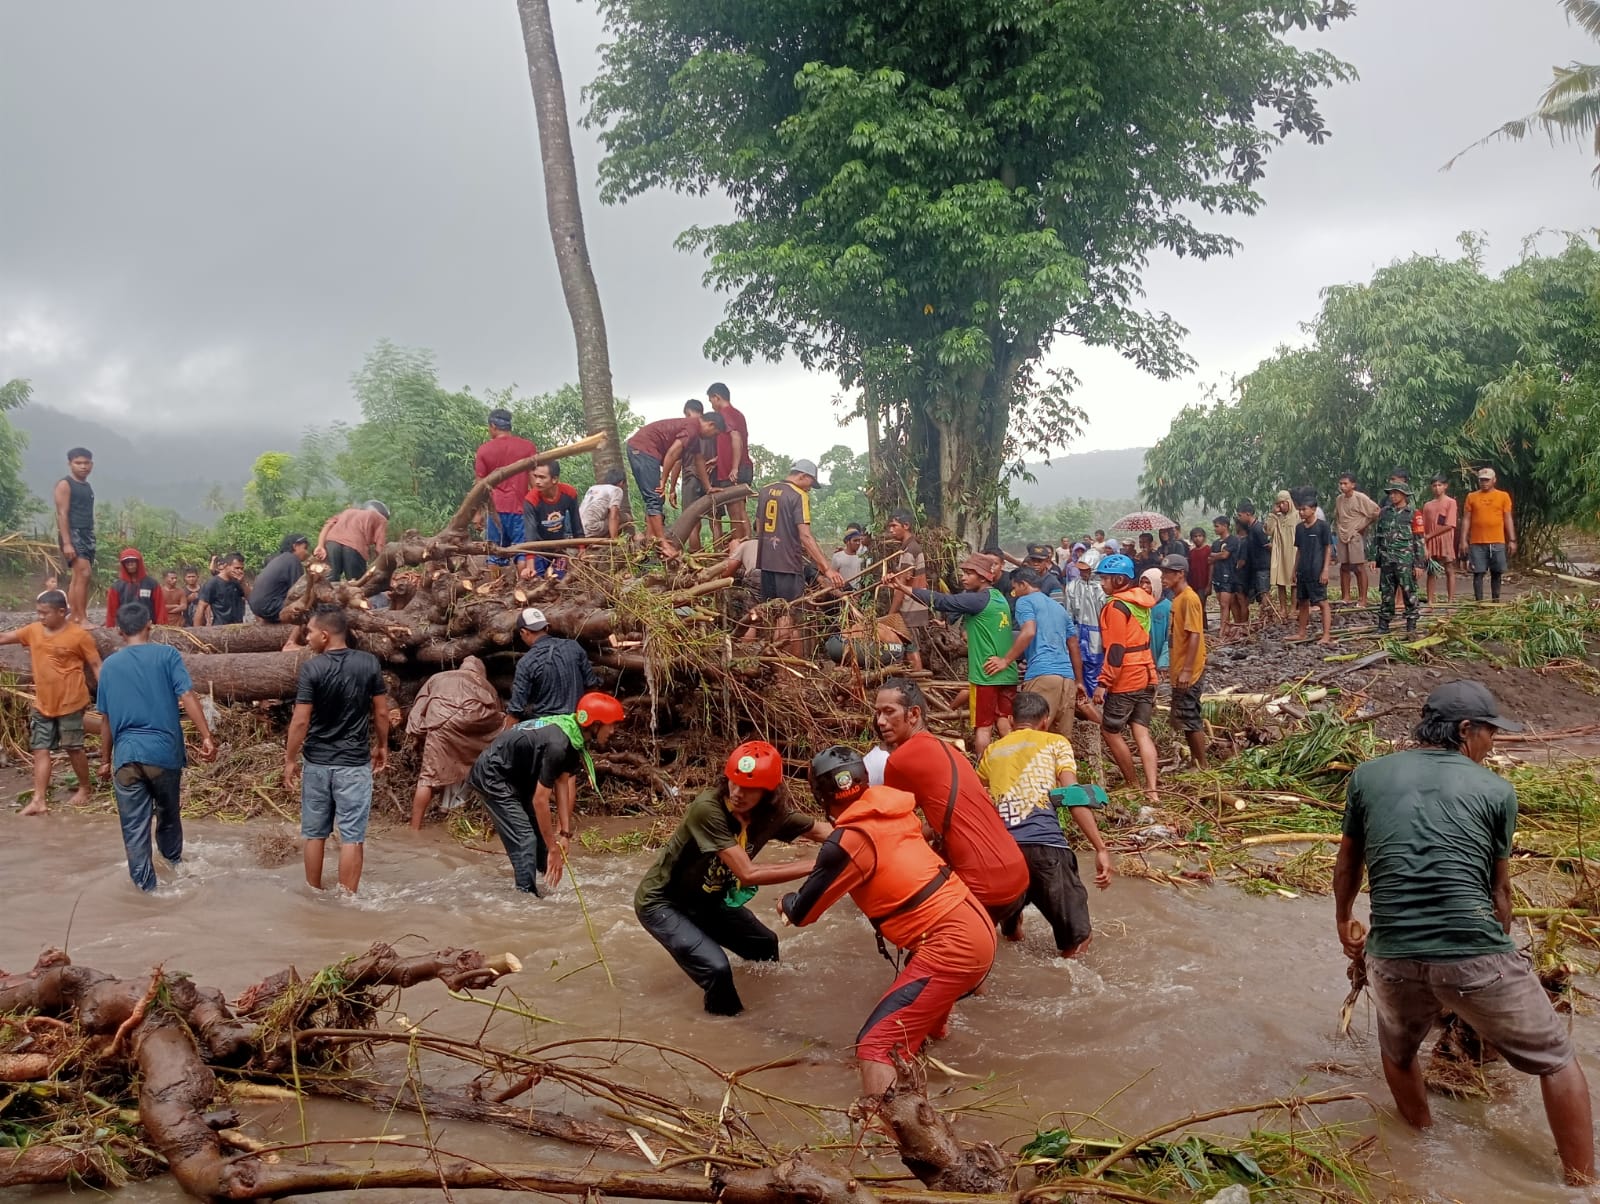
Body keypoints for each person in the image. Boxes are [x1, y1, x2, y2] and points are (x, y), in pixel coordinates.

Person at [1335, 681, 1594, 1187]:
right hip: (1473, 951)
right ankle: (1583, 1187)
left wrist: (1344, 921)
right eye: (1490, 733)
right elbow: (1500, 893)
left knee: (1397, 1054)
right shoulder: (1496, 790)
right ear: (1464, 731)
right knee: (1559, 1060)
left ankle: (1424, 1150)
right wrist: (1500, 955)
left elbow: (1348, 861)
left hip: (1390, 955)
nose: (1492, 744)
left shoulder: (1367, 777)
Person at [778, 746, 997, 1097]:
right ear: (865, 781)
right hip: (975, 924)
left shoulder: (847, 842)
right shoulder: (896, 812)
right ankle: (940, 1091)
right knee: (925, 1032)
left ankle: (888, 1133)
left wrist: (786, 904)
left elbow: (804, 913)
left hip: (949, 944)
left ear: (820, 796)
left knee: (874, 1045)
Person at [636, 741, 830, 1015]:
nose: (738, 793)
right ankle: (731, 1026)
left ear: (768, 792)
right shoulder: (708, 809)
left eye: (749, 788)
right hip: (663, 903)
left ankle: (769, 1004)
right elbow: (747, 874)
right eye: (733, 783)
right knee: (716, 969)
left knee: (764, 944)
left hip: (707, 901)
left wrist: (868, 837)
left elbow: (825, 832)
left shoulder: (772, 817)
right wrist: (820, 864)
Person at [874, 678, 1029, 921]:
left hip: (984, 887)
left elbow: (894, 834)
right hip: (1018, 875)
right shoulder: (949, 749)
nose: (880, 721)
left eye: (888, 712)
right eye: (878, 713)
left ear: (913, 714)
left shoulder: (900, 760)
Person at [976, 692, 1112, 957]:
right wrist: (1101, 848)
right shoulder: (1055, 742)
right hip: (1046, 848)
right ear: (1045, 721)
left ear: (1012, 720)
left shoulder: (993, 750)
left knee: (1010, 934)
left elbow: (977, 798)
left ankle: (1012, 933)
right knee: (1078, 941)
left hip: (1003, 854)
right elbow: (1073, 795)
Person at [95, 602, 218, 891]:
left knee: (134, 828)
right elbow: (186, 695)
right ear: (150, 625)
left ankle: (146, 889)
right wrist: (207, 737)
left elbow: (106, 719)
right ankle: (174, 865)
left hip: (125, 759)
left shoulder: (110, 665)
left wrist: (103, 759)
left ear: (119, 631)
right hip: (163, 754)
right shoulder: (167, 655)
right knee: (168, 814)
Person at [468, 692, 625, 895]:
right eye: (611, 724)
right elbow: (540, 800)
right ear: (594, 724)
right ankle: (526, 899)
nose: (613, 731)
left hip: (517, 777)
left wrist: (564, 835)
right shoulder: (558, 745)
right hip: (493, 777)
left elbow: (561, 783)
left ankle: (547, 880)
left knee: (541, 836)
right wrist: (553, 848)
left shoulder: (573, 739)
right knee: (526, 839)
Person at [283, 605, 389, 894]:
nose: (307, 638)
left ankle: (313, 894)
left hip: (317, 763)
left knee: (314, 834)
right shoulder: (369, 664)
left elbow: (300, 720)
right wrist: (382, 746)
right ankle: (347, 902)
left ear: (326, 635)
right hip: (354, 764)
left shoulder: (312, 668)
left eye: (310, 632)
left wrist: (290, 759)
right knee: (352, 837)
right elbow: (381, 713)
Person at [891, 552, 1016, 755]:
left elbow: (941, 601)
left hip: (986, 674)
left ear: (983, 577)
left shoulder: (977, 600)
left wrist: (902, 587)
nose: (963, 578)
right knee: (1004, 721)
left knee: (983, 727)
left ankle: (982, 775)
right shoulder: (998, 597)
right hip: (1007, 672)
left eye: (969, 574)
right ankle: (1011, 765)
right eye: (963, 573)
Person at [0, 590, 101, 815]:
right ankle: (38, 799)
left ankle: (85, 788)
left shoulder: (79, 635)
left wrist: (107, 694)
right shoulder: (33, 630)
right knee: (40, 749)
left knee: (73, 747)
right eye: (38, 612)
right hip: (43, 703)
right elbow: (5, 638)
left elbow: (96, 664)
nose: (40, 617)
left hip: (71, 701)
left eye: (44, 613)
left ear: (62, 612)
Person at [406, 656, 509, 830]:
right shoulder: (486, 685)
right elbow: (494, 713)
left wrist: (421, 732)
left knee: (427, 779)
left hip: (439, 723)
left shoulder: (438, 677)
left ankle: (414, 829)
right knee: (503, 723)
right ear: (480, 672)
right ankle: (458, 807)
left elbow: (418, 708)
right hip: (472, 725)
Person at [989, 566, 1089, 743]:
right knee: (1061, 743)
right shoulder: (1058, 608)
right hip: (1067, 679)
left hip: (1042, 674)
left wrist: (1005, 660)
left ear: (1024, 585)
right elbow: (1074, 645)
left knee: (1030, 738)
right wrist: (1079, 681)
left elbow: (1028, 632)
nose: (1014, 592)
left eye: (1015, 588)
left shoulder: (1025, 602)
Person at [1091, 554, 1159, 803]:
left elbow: (1116, 650)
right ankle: (1152, 790)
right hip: (1147, 673)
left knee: (1110, 731)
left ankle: (1133, 784)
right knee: (1141, 732)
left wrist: (1102, 683)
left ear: (1120, 579)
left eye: (1106, 578)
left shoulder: (1116, 606)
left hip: (1126, 677)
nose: (1102, 583)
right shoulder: (1142, 602)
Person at [755, 460, 844, 650]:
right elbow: (805, 535)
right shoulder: (798, 495)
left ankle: (770, 661)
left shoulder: (765, 490)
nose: (810, 489)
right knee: (789, 616)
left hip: (766, 563)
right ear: (803, 476)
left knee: (771, 614)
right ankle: (788, 669)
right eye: (811, 483)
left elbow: (758, 526)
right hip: (788, 565)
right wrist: (827, 569)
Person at [626, 410, 719, 547]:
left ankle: (651, 540)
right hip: (644, 448)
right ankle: (662, 543)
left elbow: (699, 461)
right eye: (715, 433)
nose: (712, 437)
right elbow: (672, 453)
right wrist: (663, 481)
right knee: (655, 496)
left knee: (657, 498)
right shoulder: (692, 428)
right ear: (711, 424)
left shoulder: (694, 435)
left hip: (645, 450)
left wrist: (708, 488)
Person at [474, 408, 539, 572]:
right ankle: (523, 588)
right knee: (522, 551)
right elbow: (534, 480)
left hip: (495, 510)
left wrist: (477, 513)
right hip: (520, 508)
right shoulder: (527, 447)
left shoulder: (484, 450)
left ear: (493, 426)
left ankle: (494, 590)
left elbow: (480, 486)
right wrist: (538, 506)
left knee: (493, 553)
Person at [507, 607, 599, 721]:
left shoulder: (526, 662)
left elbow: (516, 709)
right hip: (577, 723)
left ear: (524, 632)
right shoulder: (573, 646)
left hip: (546, 730)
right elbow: (592, 686)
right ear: (546, 627)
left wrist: (504, 736)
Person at [1159, 554, 1208, 768]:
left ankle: (1203, 764)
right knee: (1184, 717)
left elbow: (1195, 634)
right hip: (1179, 667)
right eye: (1163, 573)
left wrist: (1187, 669)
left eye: (1168, 574)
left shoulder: (1189, 598)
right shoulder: (1177, 599)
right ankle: (1195, 762)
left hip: (1190, 669)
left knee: (1190, 715)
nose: (1164, 577)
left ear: (1180, 574)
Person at [1373, 479, 1424, 634]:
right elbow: (1377, 536)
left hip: (1405, 561)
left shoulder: (1414, 514)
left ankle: (1411, 624)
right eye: (1390, 493)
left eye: (1395, 493)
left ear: (1404, 495)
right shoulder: (1384, 513)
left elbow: (1419, 540)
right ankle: (1383, 625)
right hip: (1387, 559)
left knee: (1409, 592)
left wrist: (1419, 564)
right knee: (1386, 593)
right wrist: (1373, 558)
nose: (1392, 496)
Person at [881, 512, 929, 673]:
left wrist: (891, 616)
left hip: (911, 609)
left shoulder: (909, 551)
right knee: (909, 647)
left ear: (906, 526)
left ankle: (920, 683)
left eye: (894, 525)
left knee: (911, 648)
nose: (891, 530)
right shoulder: (910, 548)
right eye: (890, 527)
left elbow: (902, 587)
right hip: (915, 607)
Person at [52, 447, 96, 625]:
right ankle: (81, 616)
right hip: (73, 533)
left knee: (78, 576)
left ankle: (74, 615)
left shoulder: (86, 486)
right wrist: (67, 543)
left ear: (91, 465)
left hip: (87, 533)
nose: (83, 466)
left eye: (86, 463)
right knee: (84, 573)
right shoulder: (65, 484)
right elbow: (62, 514)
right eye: (78, 463)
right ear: (70, 464)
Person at [1460, 467, 1516, 603]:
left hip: (1497, 541)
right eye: (1482, 480)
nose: (1484, 483)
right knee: (1478, 573)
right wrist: (1463, 540)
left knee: (1496, 573)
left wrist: (1512, 540)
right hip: (1477, 542)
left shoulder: (1503, 496)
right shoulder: (1472, 497)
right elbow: (1466, 519)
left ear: (1494, 480)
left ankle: (1495, 601)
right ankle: (1479, 602)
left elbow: (1507, 518)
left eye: (1487, 480)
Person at [522, 462, 585, 578]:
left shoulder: (569, 493)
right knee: (536, 580)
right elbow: (530, 533)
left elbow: (576, 523)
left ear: (554, 479)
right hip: (538, 550)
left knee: (558, 580)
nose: (537, 481)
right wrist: (530, 564)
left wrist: (582, 549)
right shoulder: (531, 500)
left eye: (542, 477)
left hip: (559, 549)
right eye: (535, 476)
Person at [708, 383, 753, 540]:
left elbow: (736, 438)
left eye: (711, 400)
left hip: (732, 471)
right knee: (740, 510)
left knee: (735, 513)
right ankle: (746, 544)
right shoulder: (738, 414)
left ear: (716, 397)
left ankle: (738, 550)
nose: (711, 405)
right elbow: (732, 442)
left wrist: (734, 468)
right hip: (743, 466)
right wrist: (718, 459)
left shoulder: (725, 415)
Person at [1062, 548, 1106, 700]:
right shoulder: (1073, 586)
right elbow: (1068, 614)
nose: (1083, 573)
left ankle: (1098, 704)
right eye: (1081, 570)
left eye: (1086, 570)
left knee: (1097, 669)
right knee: (1079, 666)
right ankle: (1084, 702)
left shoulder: (1103, 588)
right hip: (1079, 633)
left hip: (1099, 635)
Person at [1291, 492, 1335, 645]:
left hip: (1317, 569)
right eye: (1300, 510)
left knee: (1322, 602)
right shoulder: (1299, 528)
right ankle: (1301, 632)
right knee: (1302, 601)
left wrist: (1325, 570)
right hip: (1303, 569)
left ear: (1314, 509)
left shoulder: (1322, 527)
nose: (1301, 512)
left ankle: (1326, 634)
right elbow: (1299, 550)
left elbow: (1328, 548)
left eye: (1304, 509)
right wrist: (1294, 570)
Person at [1333, 473, 1380, 603]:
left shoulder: (1360, 498)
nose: (1342, 486)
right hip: (1342, 535)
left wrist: (1364, 527)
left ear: (1353, 485)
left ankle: (1363, 599)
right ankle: (1346, 597)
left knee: (1359, 567)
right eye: (1341, 483)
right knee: (1344, 566)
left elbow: (1376, 511)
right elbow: (1337, 515)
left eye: (1345, 483)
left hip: (1355, 535)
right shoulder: (1339, 499)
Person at [316, 501, 390, 582]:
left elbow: (328, 525)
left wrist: (320, 545)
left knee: (329, 580)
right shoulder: (381, 518)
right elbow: (380, 547)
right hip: (354, 546)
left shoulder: (347, 512)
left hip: (332, 543)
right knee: (356, 582)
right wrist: (384, 566)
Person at [249, 535, 310, 625]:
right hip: (270, 607)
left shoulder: (279, 559)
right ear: (295, 546)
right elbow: (298, 591)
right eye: (305, 548)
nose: (307, 552)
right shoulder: (292, 560)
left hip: (258, 608)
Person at [105, 548, 165, 629]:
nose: (130, 564)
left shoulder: (152, 584)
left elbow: (160, 608)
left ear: (139, 562)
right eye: (127, 562)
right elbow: (111, 612)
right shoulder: (117, 586)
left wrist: (161, 627)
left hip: (148, 627)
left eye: (133, 561)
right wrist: (110, 628)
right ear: (123, 564)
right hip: (126, 628)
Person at [1422, 475, 1459, 605]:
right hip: (1430, 541)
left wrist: (1429, 536)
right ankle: (1430, 602)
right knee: (1431, 571)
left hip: (1445, 539)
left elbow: (1449, 525)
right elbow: (1424, 527)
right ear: (1431, 487)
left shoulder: (1450, 502)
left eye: (1440, 485)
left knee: (1449, 568)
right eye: (1434, 485)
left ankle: (1450, 602)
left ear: (1445, 486)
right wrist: (1425, 543)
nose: (1437, 488)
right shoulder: (1427, 505)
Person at [1234, 502, 1272, 619]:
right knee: (1260, 594)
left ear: (1248, 514)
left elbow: (1268, 546)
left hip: (1262, 567)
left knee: (1264, 593)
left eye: (1240, 515)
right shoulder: (1251, 529)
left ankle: (1267, 617)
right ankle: (1263, 617)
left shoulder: (1258, 528)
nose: (1239, 518)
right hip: (1255, 567)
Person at [195, 552, 250, 626]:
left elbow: (250, 598)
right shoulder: (212, 583)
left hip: (238, 627)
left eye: (241, 568)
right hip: (220, 628)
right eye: (236, 568)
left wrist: (242, 583)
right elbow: (200, 608)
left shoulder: (237, 582)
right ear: (225, 566)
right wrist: (196, 631)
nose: (240, 571)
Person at [1266, 490, 1298, 617]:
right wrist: (1273, 515)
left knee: (1294, 582)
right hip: (1280, 552)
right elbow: (1269, 531)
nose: (1281, 506)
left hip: (1294, 551)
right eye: (1278, 504)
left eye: (1283, 503)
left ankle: (1293, 608)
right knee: (1280, 581)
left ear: (1289, 502)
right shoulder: (1276, 518)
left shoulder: (1297, 516)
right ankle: (1283, 608)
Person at [1209, 516, 1241, 637]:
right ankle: (1226, 627)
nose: (1215, 529)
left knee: (1225, 603)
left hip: (1229, 575)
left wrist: (1215, 555)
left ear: (1225, 526)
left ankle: (1224, 628)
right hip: (1217, 576)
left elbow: (1225, 555)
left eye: (1217, 526)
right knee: (1224, 604)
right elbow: (1213, 559)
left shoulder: (1233, 540)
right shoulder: (1216, 543)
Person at [579, 466, 627, 539]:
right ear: (621, 482)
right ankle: (612, 538)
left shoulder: (593, 488)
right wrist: (615, 539)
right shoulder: (617, 490)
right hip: (591, 528)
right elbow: (614, 515)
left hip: (579, 530)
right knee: (625, 518)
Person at [1141, 568, 1170, 671]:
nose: (1144, 587)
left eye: (1148, 583)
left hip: (1160, 664)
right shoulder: (1138, 607)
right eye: (1142, 582)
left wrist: (1164, 662)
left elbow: (1170, 638)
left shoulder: (1168, 608)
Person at [1186, 527, 1212, 625]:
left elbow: (1211, 567)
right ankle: (1196, 626)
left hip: (1203, 582)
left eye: (1200, 536)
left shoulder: (1208, 550)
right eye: (1195, 536)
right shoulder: (1191, 552)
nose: (1197, 538)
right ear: (1192, 538)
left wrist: (1209, 584)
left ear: (1204, 537)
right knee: (1194, 605)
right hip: (1193, 583)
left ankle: (1203, 627)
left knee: (1201, 605)